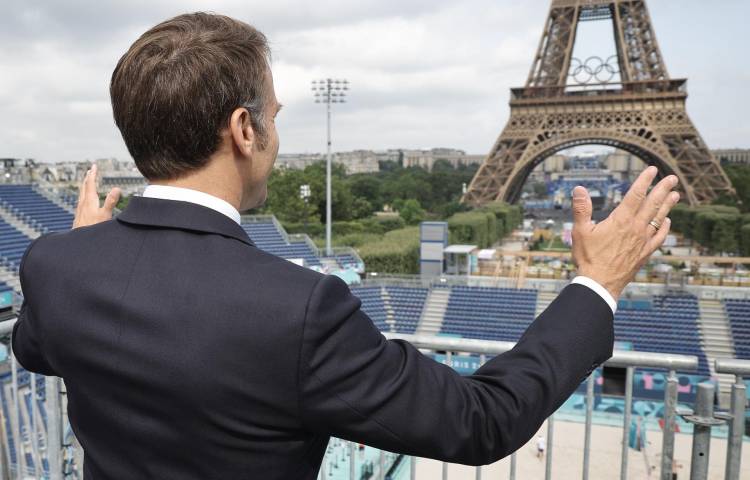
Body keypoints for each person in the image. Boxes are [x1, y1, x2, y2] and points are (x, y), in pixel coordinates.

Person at [11, 12, 680, 480]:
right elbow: (480, 422)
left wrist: (84, 252)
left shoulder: (57, 266)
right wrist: (596, 286)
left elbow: (34, 348)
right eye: (273, 115)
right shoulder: (298, 309)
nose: (277, 133)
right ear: (244, 130)